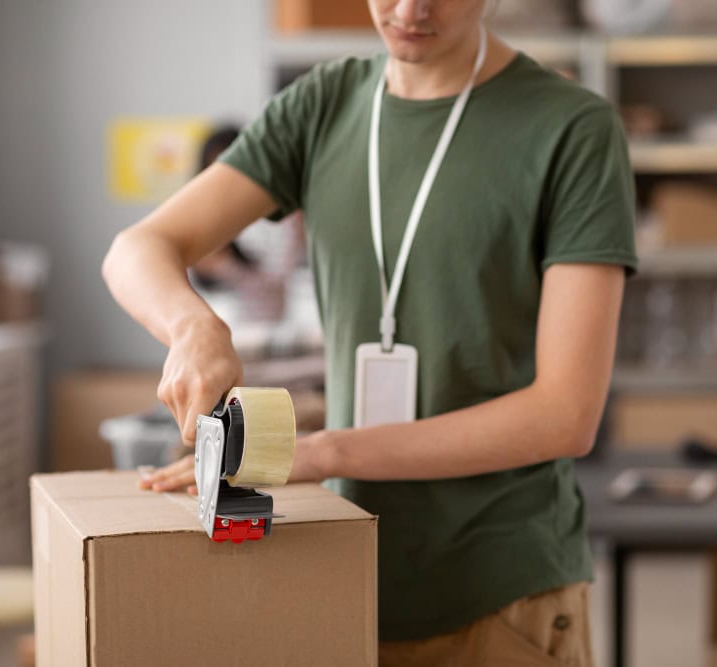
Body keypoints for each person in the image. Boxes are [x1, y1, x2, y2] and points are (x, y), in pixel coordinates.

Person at [101, 0, 636, 663]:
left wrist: (327, 452)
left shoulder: (572, 129)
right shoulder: (324, 104)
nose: (410, 8)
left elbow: (565, 415)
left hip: (503, 590)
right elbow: (136, 248)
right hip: (347, 572)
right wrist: (193, 327)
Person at [190, 126, 306, 324]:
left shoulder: (277, 213)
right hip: (214, 324)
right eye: (211, 171)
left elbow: (277, 279)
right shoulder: (201, 213)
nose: (221, 182)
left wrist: (225, 267)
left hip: (267, 329)